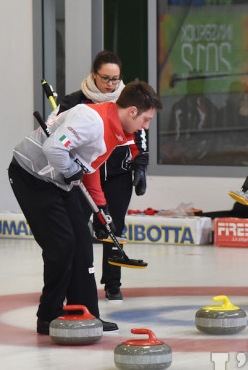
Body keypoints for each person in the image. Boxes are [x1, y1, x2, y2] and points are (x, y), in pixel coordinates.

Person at [8, 81, 162, 334]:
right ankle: (49, 316)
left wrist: (102, 209)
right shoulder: (92, 120)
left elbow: (89, 169)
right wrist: (70, 171)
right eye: (146, 119)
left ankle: (87, 313)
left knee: (81, 241)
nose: (145, 126)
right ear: (132, 111)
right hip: (31, 176)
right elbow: (53, 147)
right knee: (62, 244)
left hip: (59, 179)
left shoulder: (115, 128)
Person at [52, 50, 148, 302]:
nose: (111, 85)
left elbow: (139, 135)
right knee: (78, 228)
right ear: (94, 75)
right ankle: (77, 282)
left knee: (113, 225)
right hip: (82, 175)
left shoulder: (127, 101)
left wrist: (140, 165)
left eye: (116, 79)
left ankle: (113, 284)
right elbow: (58, 133)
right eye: (106, 78)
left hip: (118, 173)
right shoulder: (75, 101)